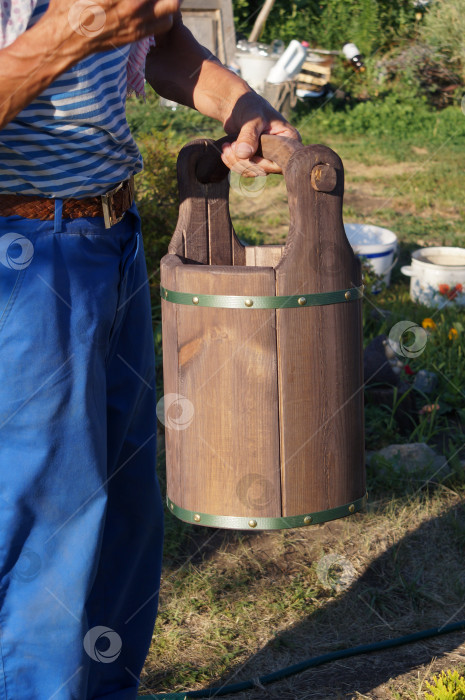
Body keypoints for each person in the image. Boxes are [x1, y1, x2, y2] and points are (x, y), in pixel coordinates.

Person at [0, 1, 300, 698]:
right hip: (22, 258)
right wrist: (71, 31)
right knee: (48, 520)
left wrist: (242, 105)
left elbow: (161, 42)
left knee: (123, 506)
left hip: (109, 236)